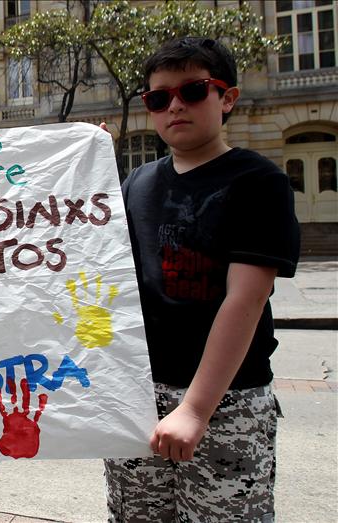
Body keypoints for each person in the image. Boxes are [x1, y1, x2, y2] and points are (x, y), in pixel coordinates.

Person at [104, 37, 299, 521]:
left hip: (226, 402)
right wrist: (85, 164)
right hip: (138, 396)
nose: (174, 106)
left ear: (226, 97)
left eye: (192, 91)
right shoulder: (138, 182)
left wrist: (194, 410)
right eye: (157, 97)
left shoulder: (257, 181)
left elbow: (245, 301)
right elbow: (102, 274)